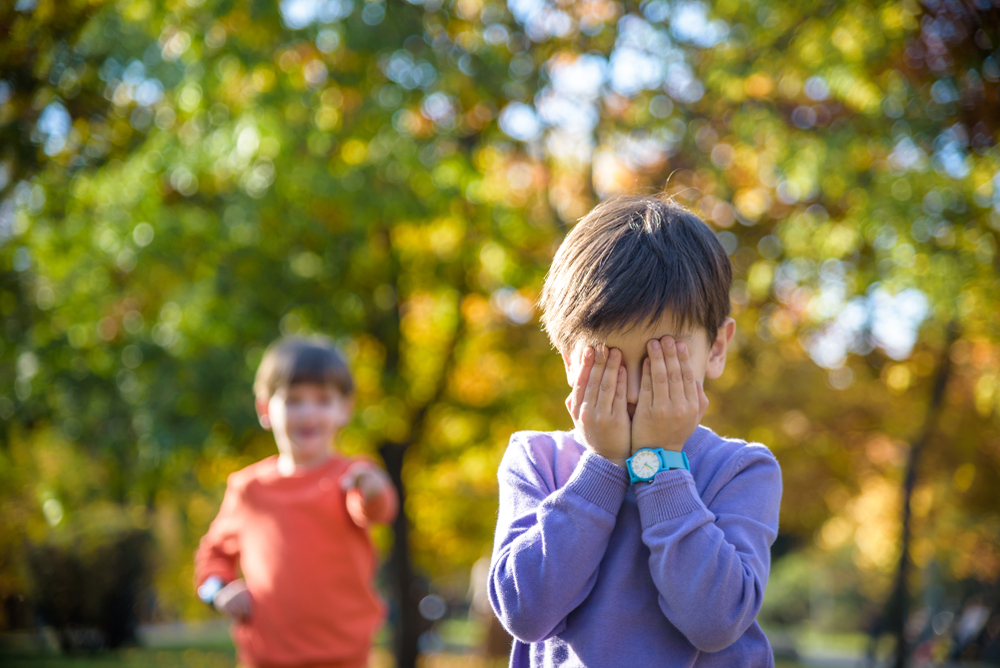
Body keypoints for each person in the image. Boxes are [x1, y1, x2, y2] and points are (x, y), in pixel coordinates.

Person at [489, 196, 783, 667]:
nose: (636, 389)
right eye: (609, 362)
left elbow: (716, 622)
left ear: (716, 349)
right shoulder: (536, 461)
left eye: (660, 359)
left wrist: (660, 464)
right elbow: (525, 613)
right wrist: (602, 465)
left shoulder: (741, 470)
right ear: (569, 359)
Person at [194, 335, 398, 668]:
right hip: (266, 656)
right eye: (293, 400)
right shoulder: (248, 489)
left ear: (344, 409)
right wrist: (218, 592)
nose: (308, 413)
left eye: (322, 400)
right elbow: (211, 558)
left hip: (344, 656)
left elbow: (377, 509)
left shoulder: (353, 475)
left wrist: (373, 489)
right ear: (265, 409)